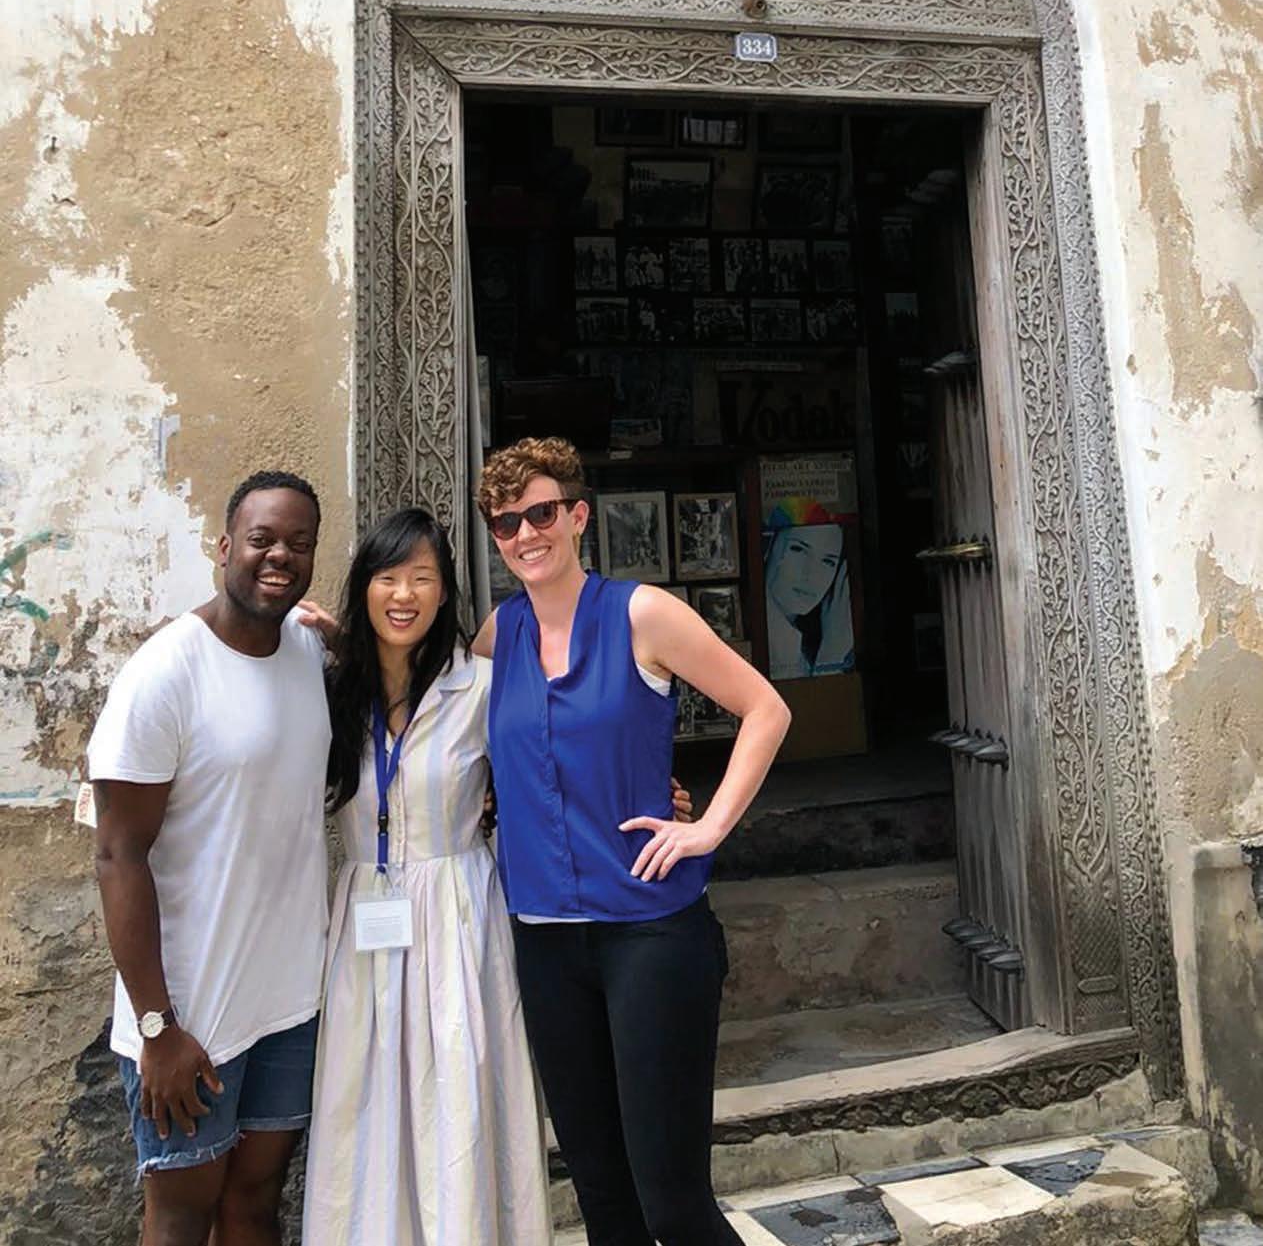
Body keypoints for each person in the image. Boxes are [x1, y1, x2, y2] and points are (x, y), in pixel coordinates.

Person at [473, 436, 792, 1246]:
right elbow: (427, 720)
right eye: (505, 522)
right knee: (602, 1200)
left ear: (578, 515)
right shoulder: (496, 635)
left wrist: (707, 823)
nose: (525, 533)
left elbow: (765, 708)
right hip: (545, 939)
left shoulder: (641, 613)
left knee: (672, 1203)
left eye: (541, 512)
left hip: (649, 932)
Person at [88, 471, 329, 1246]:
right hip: (191, 1016)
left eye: (299, 542)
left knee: (256, 1204)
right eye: (261, 539)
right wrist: (157, 1029)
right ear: (224, 547)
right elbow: (117, 854)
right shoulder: (165, 674)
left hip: (287, 1004)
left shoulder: (307, 650)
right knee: (181, 1216)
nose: (279, 555)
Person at [300, 507, 552, 1244]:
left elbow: (551, 772)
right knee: (365, 1099)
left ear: (445, 592)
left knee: (461, 1096)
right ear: (363, 586)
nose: (404, 594)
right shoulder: (333, 691)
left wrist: (655, 796)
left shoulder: (482, 687)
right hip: (366, 918)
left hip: (458, 915)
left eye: (422, 578)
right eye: (387, 577)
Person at [763, 519, 854, 680]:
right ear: (769, 548)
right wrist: (831, 653)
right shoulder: (776, 645)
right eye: (798, 550)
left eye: (828, 561)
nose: (812, 574)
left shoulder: (801, 640)